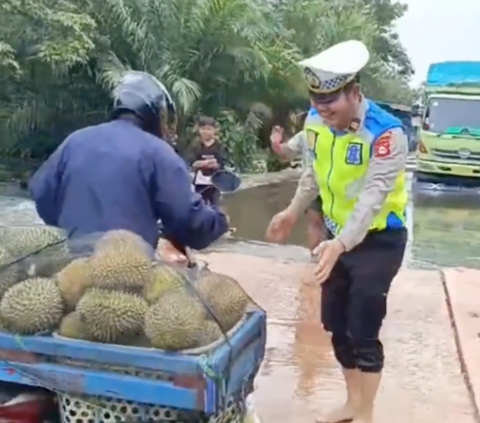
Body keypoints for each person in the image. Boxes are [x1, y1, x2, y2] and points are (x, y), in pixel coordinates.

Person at [266, 40, 408, 423]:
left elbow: (372, 200)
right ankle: (351, 402)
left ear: (355, 93)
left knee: (363, 324)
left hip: (378, 239)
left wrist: (341, 243)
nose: (322, 108)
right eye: (316, 99)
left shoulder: (387, 135)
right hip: (335, 238)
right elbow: (313, 175)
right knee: (335, 324)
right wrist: (292, 212)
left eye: (331, 99)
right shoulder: (316, 123)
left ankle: (366, 411)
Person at [29, 71, 229, 251]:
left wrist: (73, 227)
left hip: (73, 265)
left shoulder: (74, 141)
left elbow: (41, 192)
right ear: (156, 113)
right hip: (128, 269)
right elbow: (189, 221)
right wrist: (219, 219)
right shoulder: (159, 152)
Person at [269, 113, 326, 253]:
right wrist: (275, 144)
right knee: (314, 222)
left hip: (337, 186)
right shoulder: (305, 135)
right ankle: (315, 256)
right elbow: (285, 153)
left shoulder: (344, 133)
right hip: (312, 185)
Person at [188, 116, 227, 206]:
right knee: (200, 206)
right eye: (203, 129)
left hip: (215, 183)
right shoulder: (195, 146)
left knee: (215, 206)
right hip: (200, 183)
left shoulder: (219, 146)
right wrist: (208, 163)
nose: (206, 132)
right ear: (199, 130)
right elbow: (192, 163)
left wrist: (204, 164)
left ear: (214, 130)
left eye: (209, 129)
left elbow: (221, 164)